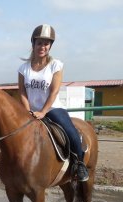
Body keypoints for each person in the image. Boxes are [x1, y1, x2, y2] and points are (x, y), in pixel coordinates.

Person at [18, 24, 89, 182]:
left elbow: (54, 91)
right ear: (33, 44)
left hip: (52, 109)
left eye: (46, 43)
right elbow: (22, 92)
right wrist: (28, 110)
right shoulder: (23, 68)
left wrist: (43, 111)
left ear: (50, 46)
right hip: (30, 110)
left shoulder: (55, 65)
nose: (42, 46)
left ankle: (79, 163)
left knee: (70, 131)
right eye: (39, 43)